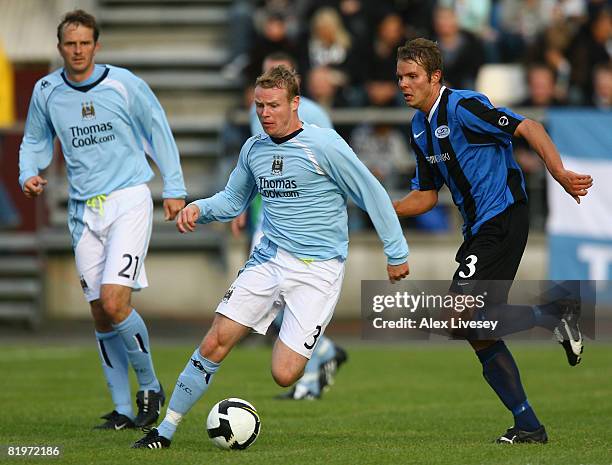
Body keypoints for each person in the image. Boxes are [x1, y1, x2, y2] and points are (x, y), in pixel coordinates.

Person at [133, 65, 410, 449]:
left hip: (319, 270)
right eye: (259, 105)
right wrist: (200, 209)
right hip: (269, 259)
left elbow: (372, 194)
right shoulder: (253, 149)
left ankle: (321, 357)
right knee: (216, 340)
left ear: (295, 104)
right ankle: (164, 431)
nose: (264, 113)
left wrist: (396, 251)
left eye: (273, 105)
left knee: (284, 373)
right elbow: (233, 200)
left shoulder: (325, 146)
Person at [393, 38, 592, 444]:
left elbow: (529, 126)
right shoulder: (418, 128)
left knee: (454, 318)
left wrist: (557, 172)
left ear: (435, 77)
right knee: (478, 331)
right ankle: (529, 426)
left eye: (412, 76)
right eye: (399, 77)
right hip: (479, 231)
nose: (403, 84)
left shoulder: (464, 106)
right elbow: (427, 196)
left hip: (502, 218)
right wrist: (383, 206)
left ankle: (554, 314)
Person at [18, 10, 186, 430]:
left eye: (84, 43)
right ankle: (122, 409)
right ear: (60, 49)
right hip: (82, 210)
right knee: (99, 312)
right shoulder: (46, 90)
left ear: (97, 45)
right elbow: (35, 138)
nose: (77, 50)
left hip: (128, 199)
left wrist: (175, 187)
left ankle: (149, 386)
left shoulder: (124, 84)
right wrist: (29, 173)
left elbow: (158, 129)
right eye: (70, 44)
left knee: (115, 301)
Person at [234, 52, 346, 401]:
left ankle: (314, 369)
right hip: (265, 218)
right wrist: (239, 205)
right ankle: (321, 356)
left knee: (287, 304)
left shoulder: (312, 114)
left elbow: (329, 164)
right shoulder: (262, 109)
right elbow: (259, 163)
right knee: (273, 303)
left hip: (300, 232)